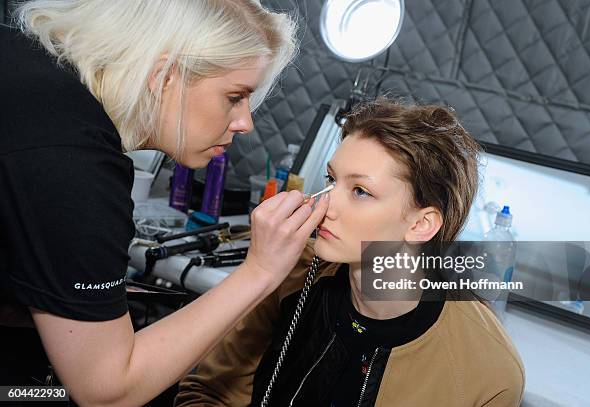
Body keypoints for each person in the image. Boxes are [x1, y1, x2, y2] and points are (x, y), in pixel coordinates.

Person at [0, 1, 331, 405]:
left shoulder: (26, 66)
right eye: (234, 96)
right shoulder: (72, 163)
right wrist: (259, 271)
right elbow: (107, 392)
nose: (246, 122)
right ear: (163, 76)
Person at [175, 98, 525, 407]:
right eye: (331, 180)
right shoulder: (290, 272)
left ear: (421, 225)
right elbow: (208, 393)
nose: (325, 204)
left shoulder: (488, 371)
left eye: (359, 191)